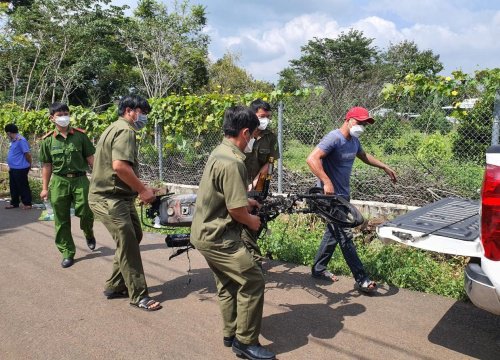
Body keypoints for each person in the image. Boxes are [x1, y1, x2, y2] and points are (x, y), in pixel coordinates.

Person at [190, 106, 275, 360]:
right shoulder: (234, 162)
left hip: (203, 232)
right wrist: (252, 221)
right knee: (253, 280)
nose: (252, 141)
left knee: (228, 282)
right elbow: (236, 211)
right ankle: (245, 342)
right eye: (252, 135)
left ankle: (230, 333)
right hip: (219, 237)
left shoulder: (219, 152)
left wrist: (246, 203)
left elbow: (226, 195)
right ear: (245, 132)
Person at [306, 106, 397, 292]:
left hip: (343, 196)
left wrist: (384, 167)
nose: (362, 126)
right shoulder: (334, 138)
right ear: (348, 120)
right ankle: (362, 278)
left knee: (333, 234)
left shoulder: (353, 141)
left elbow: (363, 156)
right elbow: (312, 159)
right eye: (359, 122)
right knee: (344, 236)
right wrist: (326, 182)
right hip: (330, 198)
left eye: (365, 124)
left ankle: (318, 269)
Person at [88, 95, 161, 312]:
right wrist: (142, 190)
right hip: (109, 198)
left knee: (134, 236)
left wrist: (139, 186)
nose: (144, 117)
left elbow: (117, 169)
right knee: (128, 242)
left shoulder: (114, 128)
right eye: (142, 112)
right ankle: (138, 295)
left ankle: (115, 285)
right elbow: (120, 166)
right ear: (130, 110)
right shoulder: (125, 130)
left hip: (119, 196)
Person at [39, 103, 96, 268]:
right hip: (59, 182)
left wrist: (101, 178)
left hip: (80, 179)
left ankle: (88, 232)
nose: (64, 117)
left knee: (86, 210)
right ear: (52, 118)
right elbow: (47, 166)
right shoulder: (48, 141)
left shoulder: (80, 136)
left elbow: (91, 159)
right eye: (59, 114)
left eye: (66, 113)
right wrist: (44, 188)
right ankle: (67, 252)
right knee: (61, 219)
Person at [242, 99, 280, 264]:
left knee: (255, 218)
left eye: (268, 116)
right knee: (239, 218)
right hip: (239, 182)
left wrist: (257, 181)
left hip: (260, 184)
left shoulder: (270, 137)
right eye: (262, 116)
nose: (266, 119)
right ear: (252, 115)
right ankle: (245, 256)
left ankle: (251, 256)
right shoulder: (243, 133)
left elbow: (271, 162)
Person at [4, 124, 32, 209]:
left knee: (22, 186)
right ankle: (14, 203)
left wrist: (29, 164)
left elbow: (27, 154)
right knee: (13, 186)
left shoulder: (21, 140)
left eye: (7, 133)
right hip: (14, 168)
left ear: (9, 133)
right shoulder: (13, 140)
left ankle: (27, 203)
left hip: (21, 168)